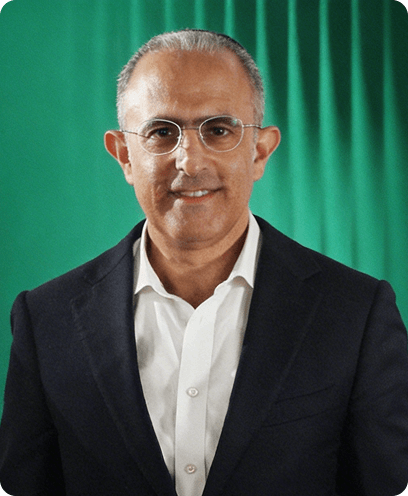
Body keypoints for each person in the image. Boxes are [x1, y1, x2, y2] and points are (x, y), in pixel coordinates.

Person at [0, 29, 408, 496]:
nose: (190, 162)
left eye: (218, 130)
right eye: (161, 132)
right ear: (124, 155)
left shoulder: (356, 312)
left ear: (260, 151)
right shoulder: (45, 320)